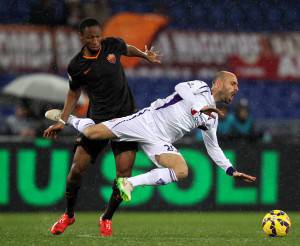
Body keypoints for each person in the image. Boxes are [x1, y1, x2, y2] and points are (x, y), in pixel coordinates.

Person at [44, 71, 256, 204]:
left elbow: (213, 148)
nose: (236, 88)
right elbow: (180, 88)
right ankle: (70, 118)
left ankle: (129, 184)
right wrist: (199, 107)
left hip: (160, 141)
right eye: (233, 83)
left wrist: (231, 170)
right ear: (218, 84)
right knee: (91, 133)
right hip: (146, 122)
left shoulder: (212, 119)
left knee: (181, 170)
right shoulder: (200, 87)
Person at [44, 17, 161, 236]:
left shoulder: (112, 45)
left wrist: (145, 55)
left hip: (127, 121)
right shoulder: (76, 65)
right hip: (98, 121)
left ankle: (106, 217)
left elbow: (127, 48)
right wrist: (61, 121)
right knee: (76, 170)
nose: (96, 41)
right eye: (91, 37)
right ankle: (69, 215)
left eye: (98, 36)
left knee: (123, 176)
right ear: (82, 37)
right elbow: (73, 92)